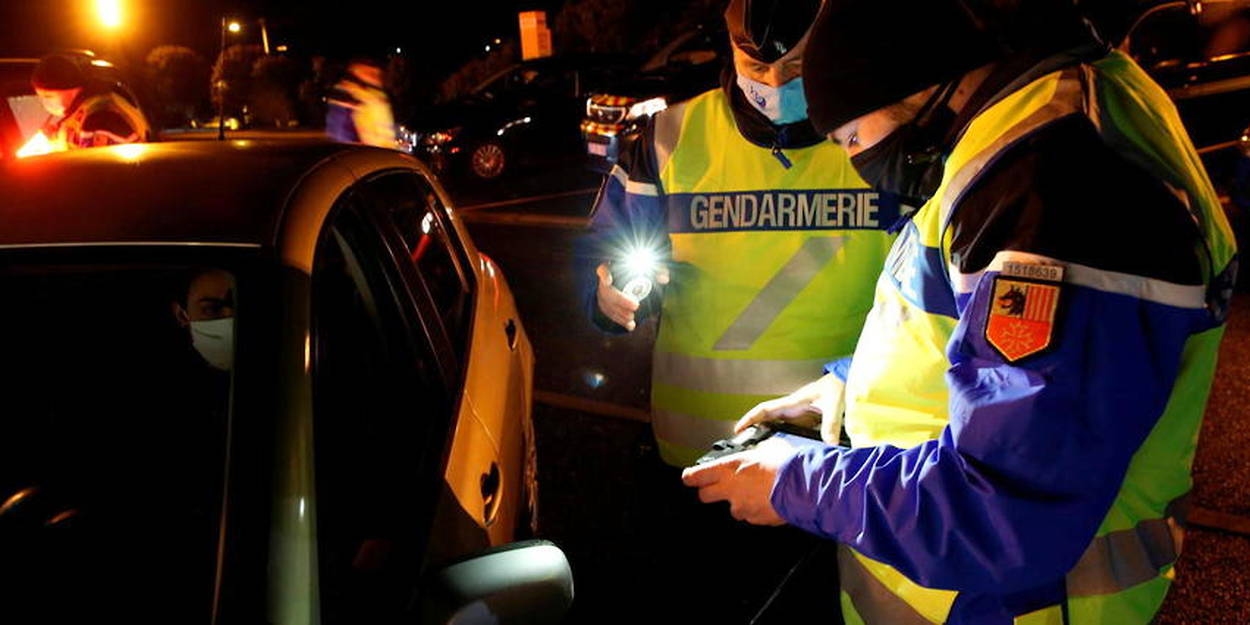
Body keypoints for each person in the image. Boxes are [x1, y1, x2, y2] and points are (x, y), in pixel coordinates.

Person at [682, 1, 1238, 624]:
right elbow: (973, 332)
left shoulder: (1048, 187)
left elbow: (1002, 514)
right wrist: (848, 384)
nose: (857, 160)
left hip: (1018, 608)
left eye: (852, 137)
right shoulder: (1021, 127)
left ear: (909, 87)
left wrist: (795, 481)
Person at [585, 0, 898, 468]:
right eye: (757, 63)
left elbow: (931, 297)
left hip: (838, 454)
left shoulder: (883, 134)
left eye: (795, 63)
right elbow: (608, 252)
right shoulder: (669, 135)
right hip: (698, 452)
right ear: (729, 46)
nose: (774, 81)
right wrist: (607, 298)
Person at [31, 53, 149, 150]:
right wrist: (56, 138)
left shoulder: (99, 117)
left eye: (48, 96)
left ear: (70, 89)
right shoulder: (89, 107)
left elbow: (90, 171)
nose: (44, 102)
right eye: (40, 97)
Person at [326, 60, 396, 148]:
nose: (374, 77)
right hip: (360, 154)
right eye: (368, 73)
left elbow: (386, 129)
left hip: (381, 154)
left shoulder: (378, 96)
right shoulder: (346, 93)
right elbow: (339, 133)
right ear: (356, 71)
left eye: (376, 74)